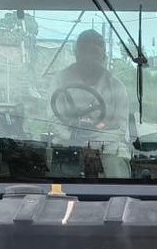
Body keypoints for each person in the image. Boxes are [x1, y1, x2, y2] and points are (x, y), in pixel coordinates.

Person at [52, 30, 131, 177]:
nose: (89, 58)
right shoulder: (60, 80)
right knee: (58, 180)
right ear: (77, 54)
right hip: (68, 145)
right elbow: (54, 120)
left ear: (103, 56)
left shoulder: (116, 87)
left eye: (94, 53)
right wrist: (77, 142)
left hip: (107, 148)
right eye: (85, 52)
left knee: (118, 174)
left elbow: (120, 128)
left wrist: (95, 147)